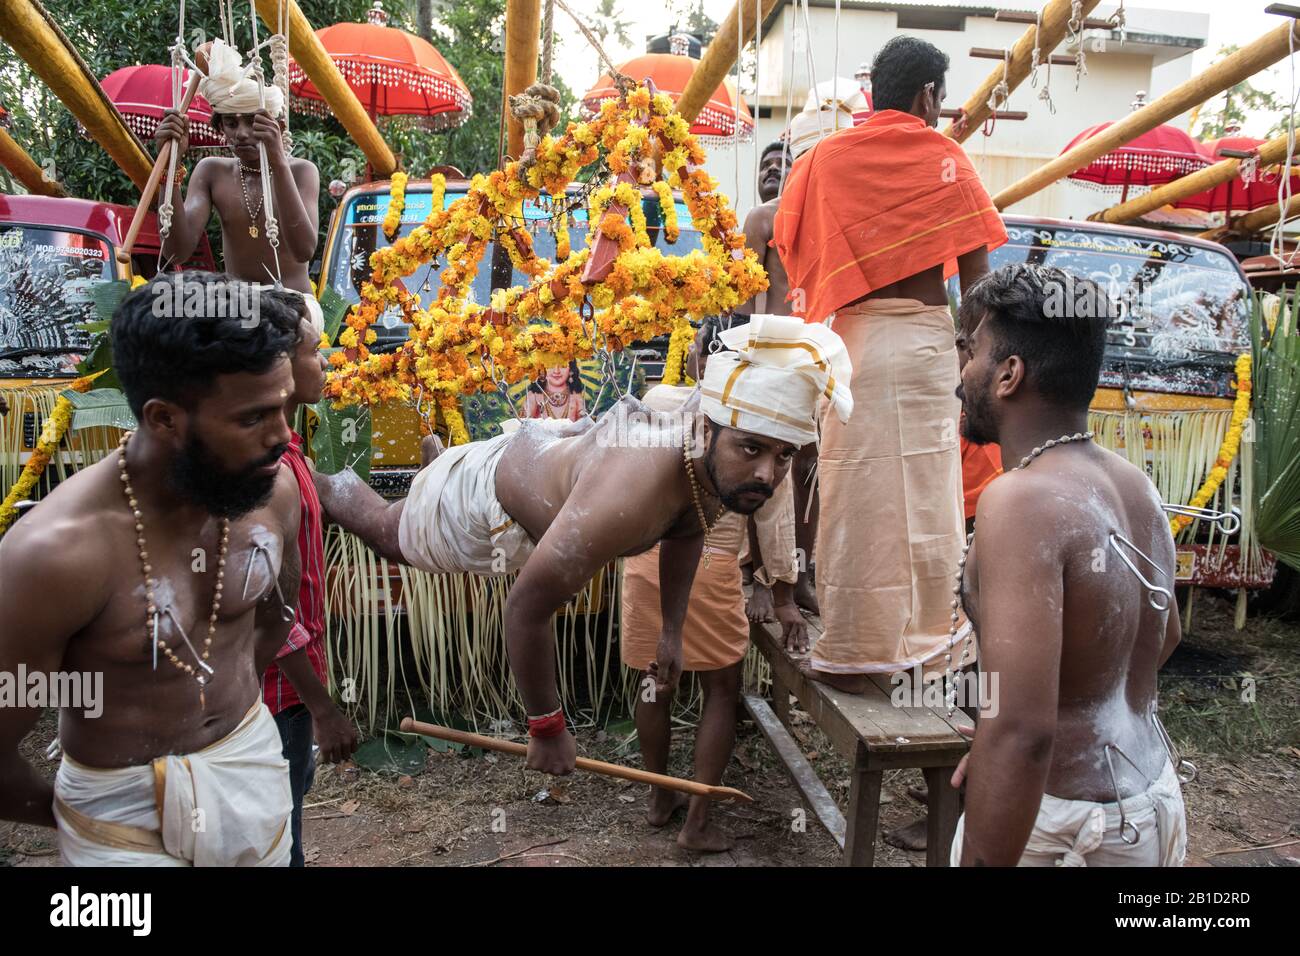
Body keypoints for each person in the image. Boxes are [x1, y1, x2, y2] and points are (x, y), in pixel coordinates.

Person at [314, 315, 853, 775]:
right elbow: (525, 608)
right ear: (707, 430)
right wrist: (546, 726)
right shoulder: (631, 494)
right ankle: (319, 482)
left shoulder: (717, 471)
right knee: (387, 534)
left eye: (784, 456)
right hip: (485, 500)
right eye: (753, 449)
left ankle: (434, 467)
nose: (767, 473)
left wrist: (670, 631)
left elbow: (685, 531)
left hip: (546, 468)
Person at [0, 272, 304, 865]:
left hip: (252, 773)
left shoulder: (271, 491)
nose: (282, 436)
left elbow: (274, 622)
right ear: (164, 419)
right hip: (119, 816)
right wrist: (91, 822)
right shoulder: (53, 557)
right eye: (253, 418)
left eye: (285, 406)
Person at [773, 35, 1008, 692]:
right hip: (925, 350)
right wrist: (973, 351)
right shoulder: (944, 158)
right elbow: (978, 280)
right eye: (940, 97)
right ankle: (926, 648)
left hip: (849, 348)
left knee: (853, 495)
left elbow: (792, 247)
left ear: (876, 90)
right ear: (928, 94)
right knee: (929, 496)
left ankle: (851, 651)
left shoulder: (824, 161)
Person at [950, 263, 1186, 866]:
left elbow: (1024, 731)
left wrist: (1000, 755)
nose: (961, 374)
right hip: (1149, 803)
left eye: (971, 350)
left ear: (1009, 374)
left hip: (1063, 828)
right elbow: (1166, 633)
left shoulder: (1020, 499)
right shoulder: (1135, 485)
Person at [621, 317, 808, 852]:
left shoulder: (659, 399)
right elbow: (773, 518)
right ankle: (697, 822)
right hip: (711, 560)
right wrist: (783, 594)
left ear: (699, 356)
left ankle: (659, 799)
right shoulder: (765, 420)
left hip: (645, 560)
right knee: (721, 690)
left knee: (653, 682)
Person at [261, 302, 359, 867]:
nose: (324, 363)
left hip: (287, 696)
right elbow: (268, 604)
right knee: (277, 839)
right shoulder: (268, 469)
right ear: (279, 367)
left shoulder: (291, 452)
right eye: (314, 352)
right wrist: (324, 709)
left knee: (285, 821)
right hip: (275, 696)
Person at [154, 39, 322, 332]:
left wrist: (278, 160)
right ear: (221, 129)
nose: (242, 133)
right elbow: (176, 252)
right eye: (231, 123)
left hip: (295, 306)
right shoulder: (211, 171)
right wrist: (169, 165)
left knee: (265, 333)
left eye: (251, 122)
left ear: (277, 127)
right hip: (238, 308)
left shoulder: (302, 171)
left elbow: (304, 249)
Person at [737, 143, 818, 612]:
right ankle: (766, 578)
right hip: (767, 357)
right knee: (761, 469)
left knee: (807, 469)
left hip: (810, 357)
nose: (772, 170)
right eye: (765, 165)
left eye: (782, 164)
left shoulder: (817, 217)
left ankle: (801, 578)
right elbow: (744, 301)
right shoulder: (760, 219)